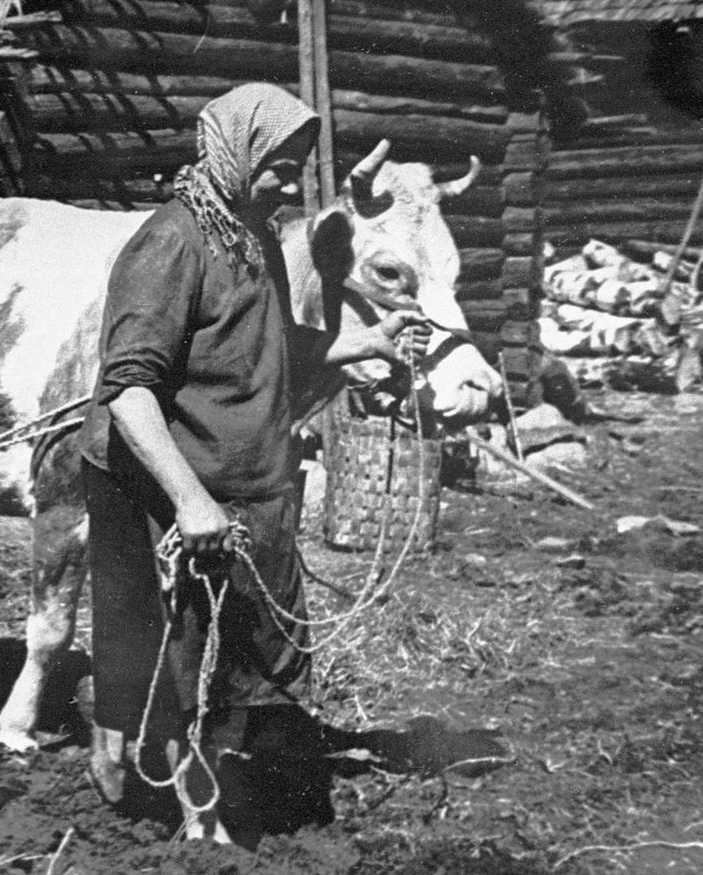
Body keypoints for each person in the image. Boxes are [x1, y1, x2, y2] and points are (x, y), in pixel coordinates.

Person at [80, 83, 428, 846]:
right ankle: (193, 821)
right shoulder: (168, 244)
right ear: (235, 153)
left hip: (251, 489)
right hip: (178, 493)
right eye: (279, 165)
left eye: (300, 167)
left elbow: (267, 354)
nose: (290, 183)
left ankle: (211, 793)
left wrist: (369, 343)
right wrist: (192, 500)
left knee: (245, 659)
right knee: (177, 662)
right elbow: (130, 388)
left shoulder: (252, 234)